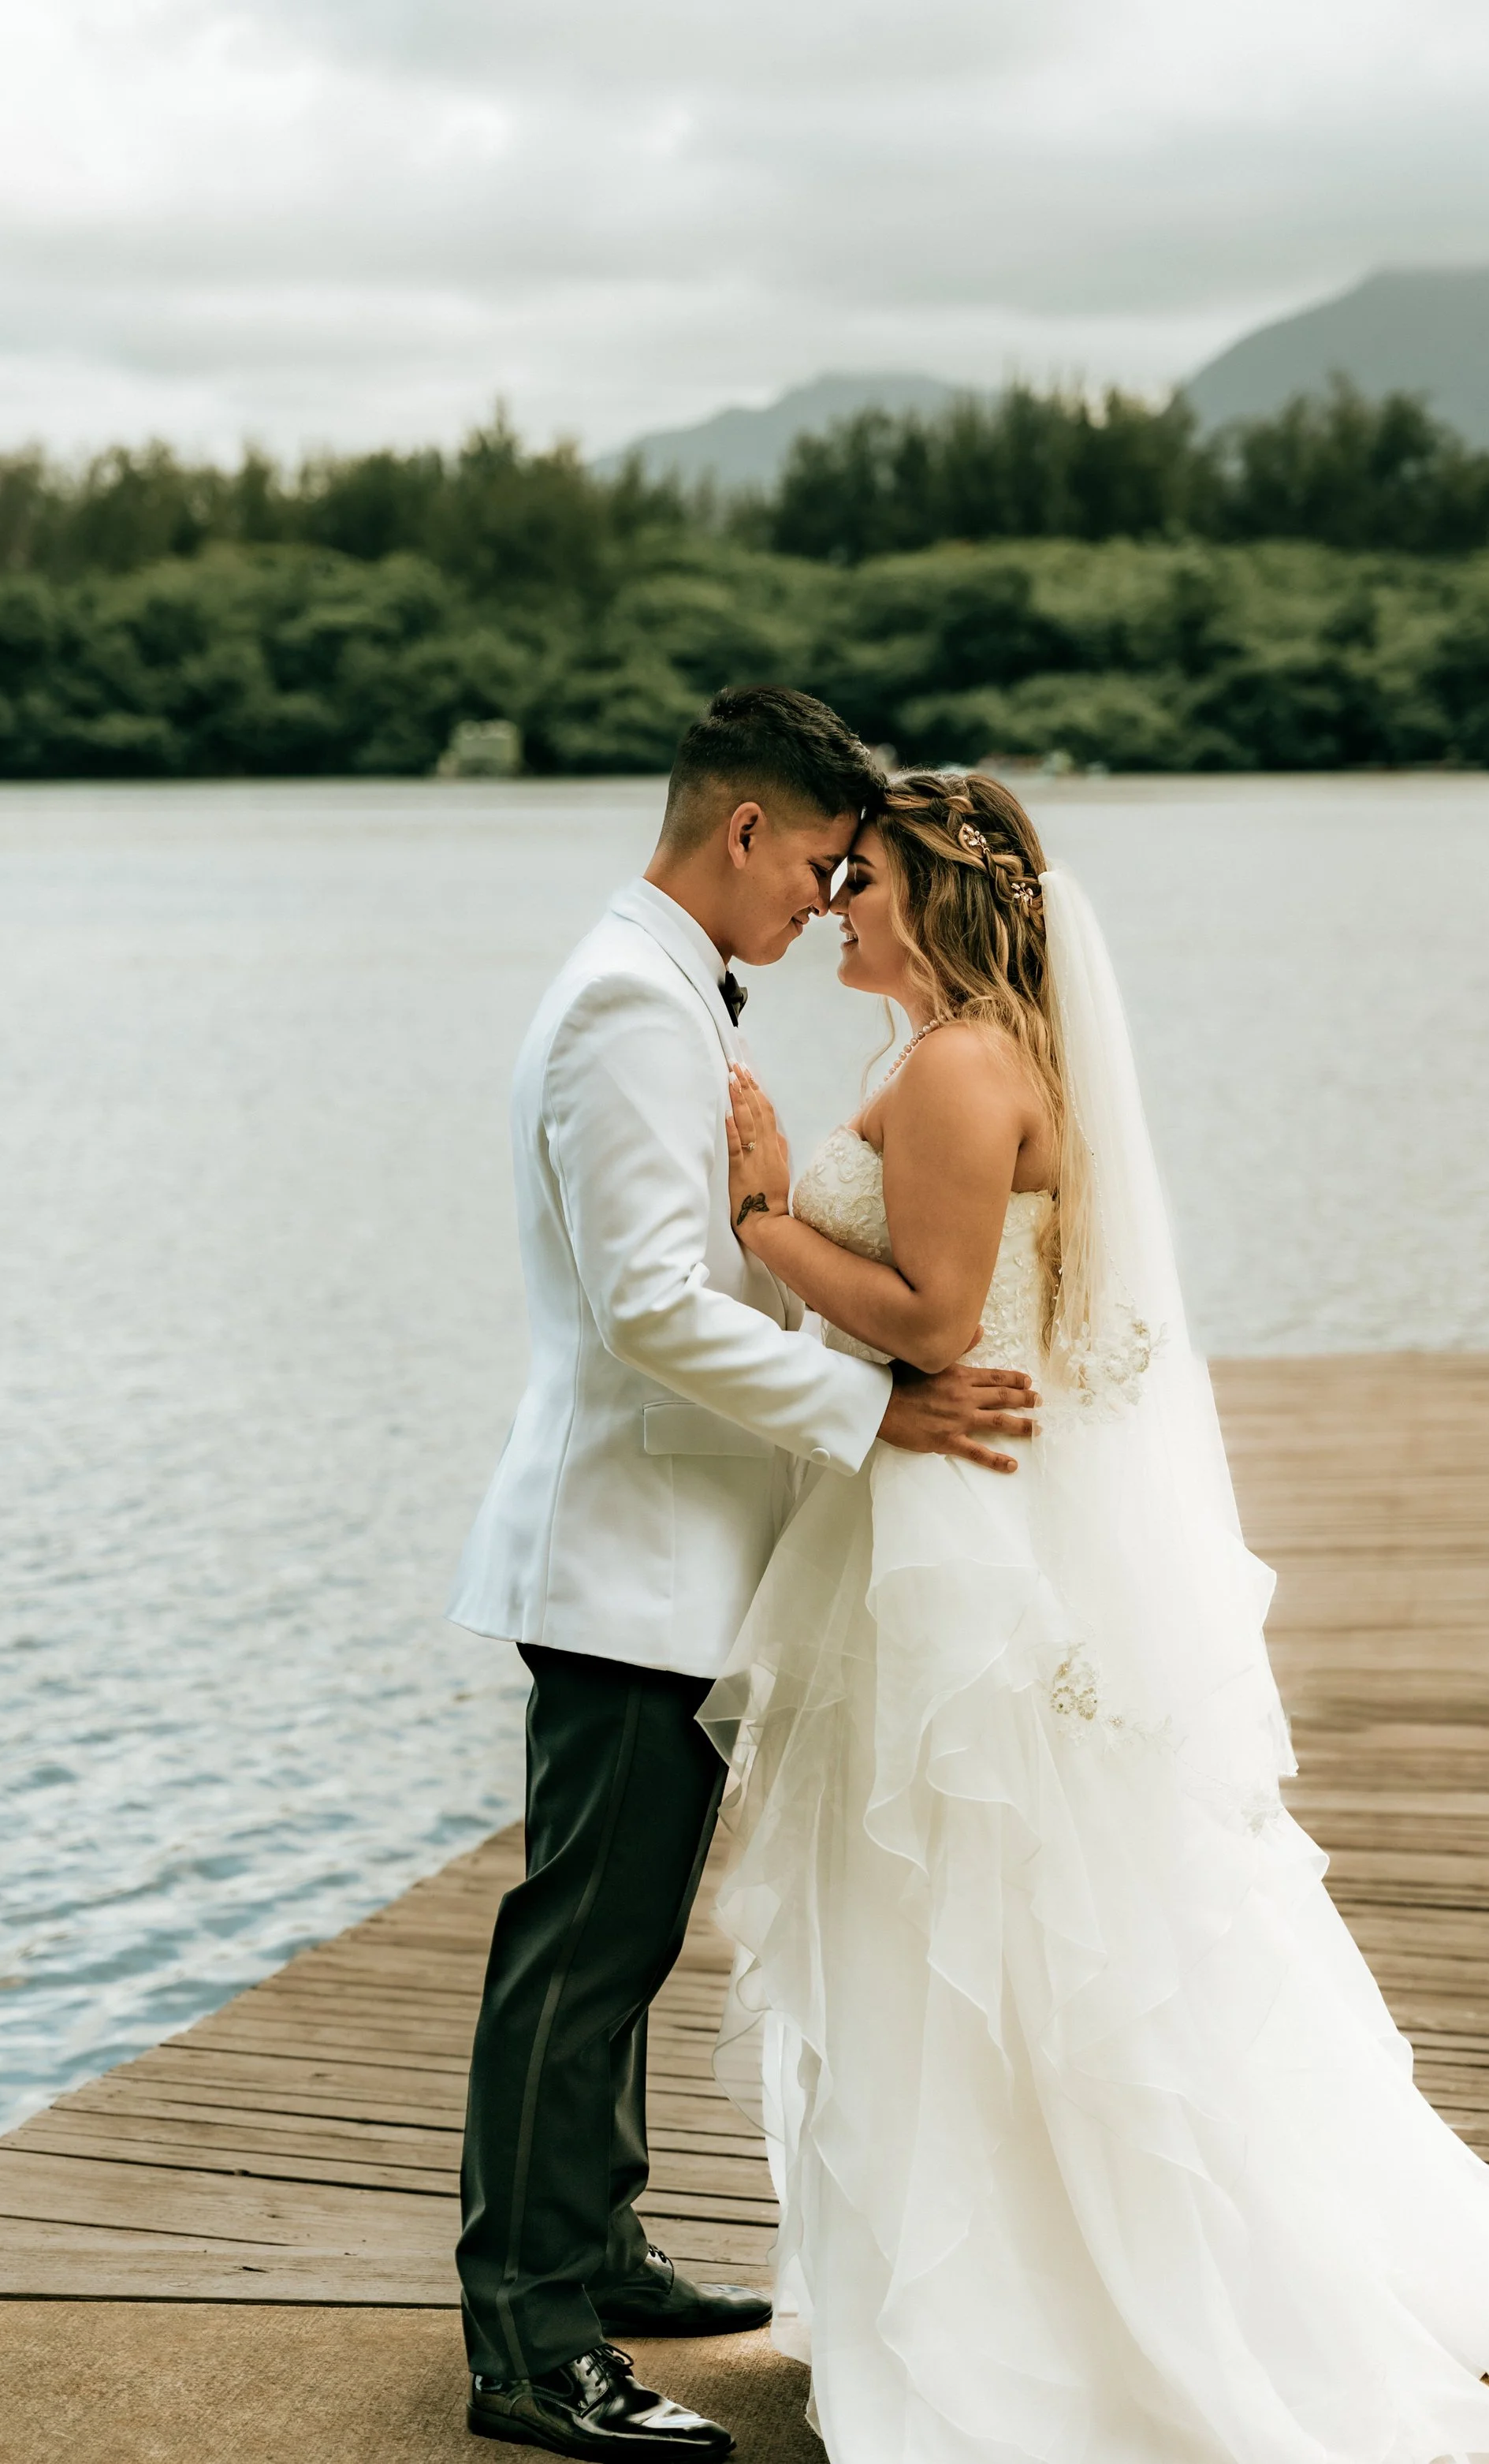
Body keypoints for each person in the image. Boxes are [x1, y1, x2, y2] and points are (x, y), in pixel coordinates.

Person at [703, 770, 1489, 2464]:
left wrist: (758, 1218)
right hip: (934, 1517)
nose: (835, 903)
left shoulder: (963, 1066)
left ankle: (1062, 2311)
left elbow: (934, 1315)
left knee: (1002, 1907)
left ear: (942, 900)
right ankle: (971, 2282)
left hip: (966, 1540)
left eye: (864, 877)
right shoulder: (939, 1053)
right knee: (949, 1912)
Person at [445, 690, 1037, 2462]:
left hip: (675, 1544)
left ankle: (597, 2242)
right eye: (819, 868)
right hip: (628, 1551)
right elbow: (645, 1302)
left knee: (609, 1940)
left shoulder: (659, 982)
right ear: (743, 835)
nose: (820, 906)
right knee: (581, 1949)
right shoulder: (633, 1001)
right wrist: (878, 1407)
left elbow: (706, 1276)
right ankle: (529, 2341)